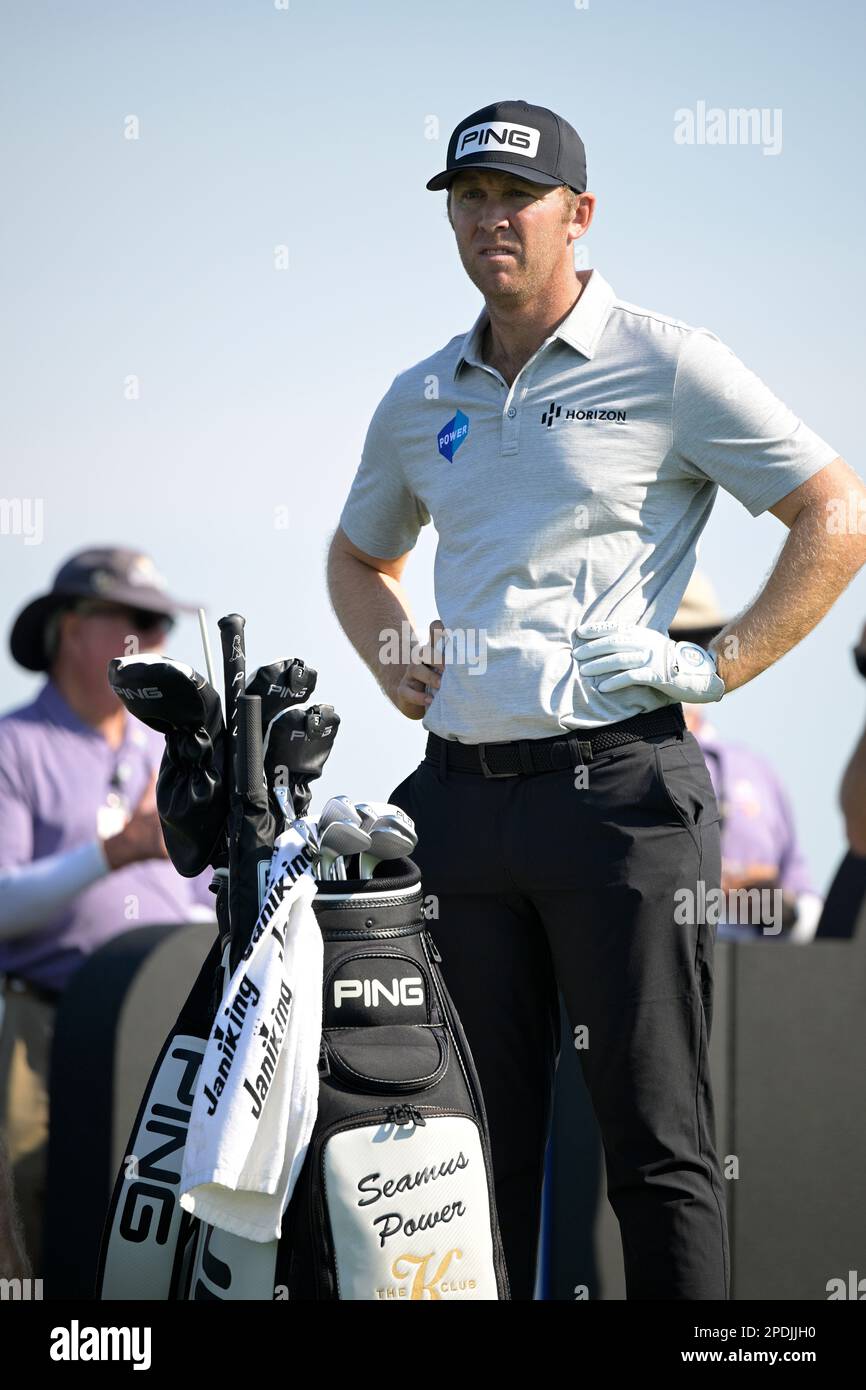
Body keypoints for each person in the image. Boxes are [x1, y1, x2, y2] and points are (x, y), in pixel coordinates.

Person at [327, 98, 866, 1300]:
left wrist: (719, 665)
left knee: (656, 1138)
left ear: (578, 214)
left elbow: (835, 514)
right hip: (458, 807)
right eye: (467, 199)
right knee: (463, 1155)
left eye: (513, 199)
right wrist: (388, 649)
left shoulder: (668, 361)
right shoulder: (421, 394)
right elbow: (357, 557)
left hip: (619, 796)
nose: (489, 221)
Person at [0, 545, 216, 1273]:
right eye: (138, 622)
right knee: (24, 1215)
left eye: (160, 627)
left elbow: (202, 907)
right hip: (43, 1026)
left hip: (166, 1030)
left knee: (151, 1226)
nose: (154, 643)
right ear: (72, 628)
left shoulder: (172, 755)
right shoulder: (13, 746)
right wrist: (114, 853)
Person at [669, 572, 824, 942]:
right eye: (674, 641)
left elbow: (808, 906)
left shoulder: (757, 772)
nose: (687, 656)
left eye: (702, 641)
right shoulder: (605, 767)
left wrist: (780, 907)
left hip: (758, 981)